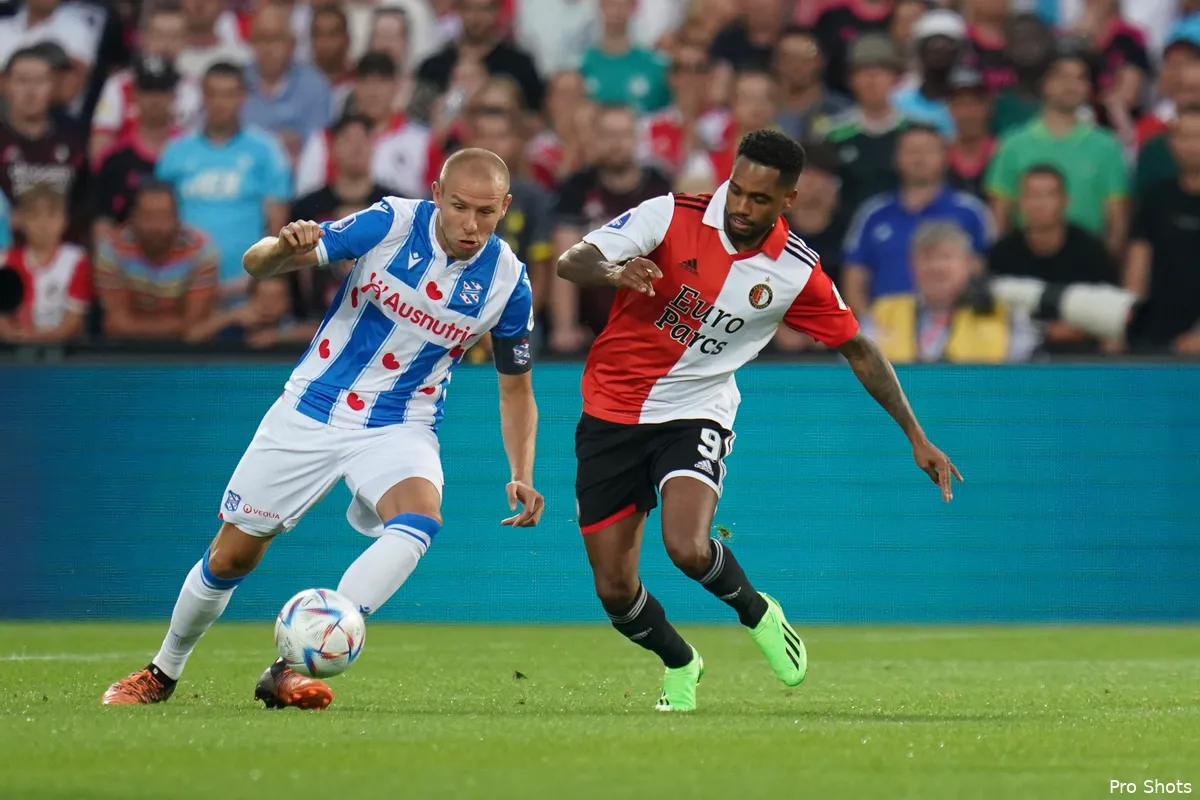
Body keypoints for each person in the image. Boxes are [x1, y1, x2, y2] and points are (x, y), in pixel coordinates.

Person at [102, 148, 545, 709]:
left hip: (400, 423)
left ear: (505, 206)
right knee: (231, 557)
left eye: (487, 212)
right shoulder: (390, 222)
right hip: (311, 409)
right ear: (436, 192)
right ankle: (162, 672)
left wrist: (521, 472)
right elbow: (258, 264)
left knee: (419, 520)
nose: (472, 224)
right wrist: (282, 247)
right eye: (460, 207)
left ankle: (293, 665)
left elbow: (516, 387)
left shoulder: (509, 282)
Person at [555, 129, 961, 712]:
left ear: (788, 200)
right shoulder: (668, 215)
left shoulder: (796, 272)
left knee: (688, 548)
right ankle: (681, 663)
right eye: (736, 191)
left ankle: (758, 612)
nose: (742, 207)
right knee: (615, 592)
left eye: (759, 199)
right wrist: (614, 273)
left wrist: (916, 436)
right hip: (610, 414)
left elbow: (861, 351)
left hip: (696, 411)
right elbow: (574, 261)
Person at [155, 61, 292, 300]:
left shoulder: (267, 150)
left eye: (228, 94)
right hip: (182, 288)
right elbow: (160, 219)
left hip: (246, 288)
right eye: (213, 94)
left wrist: (259, 279)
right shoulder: (174, 153)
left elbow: (277, 224)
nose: (220, 103)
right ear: (202, 97)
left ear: (242, 97)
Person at [842, 124, 993, 317]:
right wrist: (871, 329)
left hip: (959, 331)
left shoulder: (971, 211)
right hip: (887, 331)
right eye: (911, 151)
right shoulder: (872, 213)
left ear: (945, 157)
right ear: (896, 158)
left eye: (928, 151)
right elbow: (854, 278)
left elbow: (984, 273)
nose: (919, 158)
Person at [867, 220, 1040, 363]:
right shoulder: (883, 312)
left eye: (946, 256)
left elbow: (1025, 378)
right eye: (927, 258)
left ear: (969, 264)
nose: (936, 266)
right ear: (912, 266)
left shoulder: (1003, 313)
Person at [986, 165, 1116, 353]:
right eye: (1031, 195)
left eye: (1048, 195)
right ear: (1020, 202)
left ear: (1065, 201)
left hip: (1082, 356)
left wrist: (1077, 330)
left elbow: (1109, 311)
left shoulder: (1090, 251)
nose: (1039, 203)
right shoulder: (1001, 253)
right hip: (1017, 358)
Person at [94, 180, 219, 342]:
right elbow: (115, 324)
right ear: (132, 218)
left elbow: (196, 324)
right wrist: (178, 325)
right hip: (126, 352)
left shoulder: (202, 251)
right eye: (148, 217)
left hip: (188, 353)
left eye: (164, 216)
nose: (156, 226)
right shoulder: (111, 251)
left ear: (178, 219)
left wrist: (132, 325)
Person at [0, 183, 90, 345]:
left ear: (64, 220)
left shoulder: (76, 260)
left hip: (63, 354)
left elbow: (72, 323)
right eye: (34, 215)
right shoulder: (5, 261)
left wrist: (32, 338)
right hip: (14, 354)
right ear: (21, 220)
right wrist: (11, 334)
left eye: (51, 215)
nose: (43, 224)